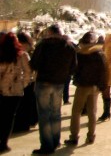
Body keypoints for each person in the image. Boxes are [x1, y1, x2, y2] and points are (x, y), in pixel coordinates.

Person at [29, 24, 77, 154]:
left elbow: (33, 63)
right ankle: (55, 141)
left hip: (43, 82)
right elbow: (73, 67)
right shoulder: (69, 46)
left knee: (44, 115)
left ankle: (47, 145)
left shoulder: (42, 45)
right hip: (59, 83)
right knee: (56, 113)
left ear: (49, 33)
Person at [64, 32, 106, 147]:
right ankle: (91, 136)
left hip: (82, 85)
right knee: (92, 112)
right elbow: (103, 70)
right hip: (95, 86)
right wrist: (102, 85)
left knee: (76, 112)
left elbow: (73, 69)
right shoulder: (100, 53)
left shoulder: (80, 53)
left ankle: (74, 137)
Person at [0, 32, 32, 153]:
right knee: (9, 117)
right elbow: (29, 72)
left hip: (1, 90)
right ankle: (4, 142)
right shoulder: (23, 55)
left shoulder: (1, 54)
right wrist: (23, 84)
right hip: (16, 91)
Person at [98, 32, 111, 122]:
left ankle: (106, 112)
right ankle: (107, 112)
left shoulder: (109, 47)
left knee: (105, 93)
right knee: (106, 92)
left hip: (107, 73)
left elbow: (108, 61)